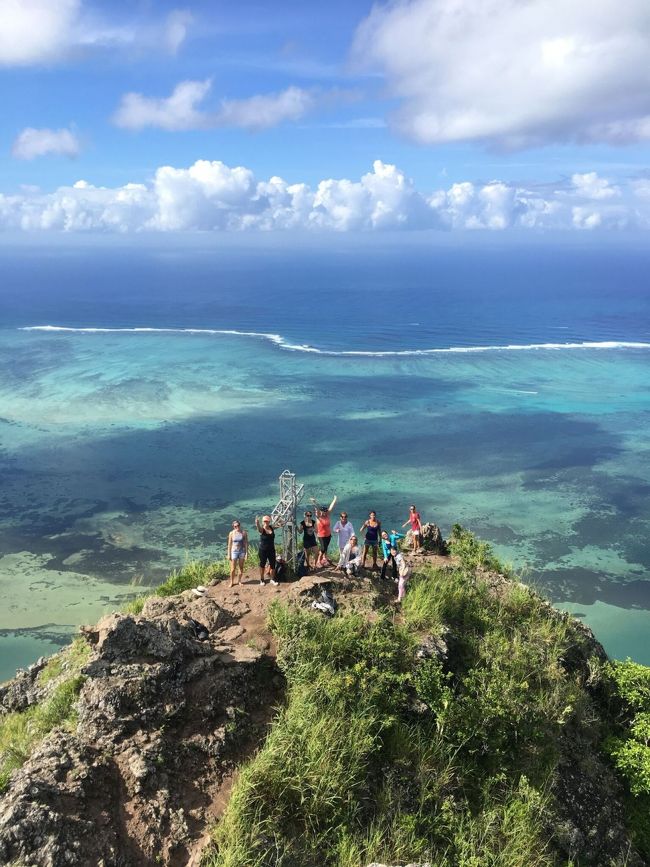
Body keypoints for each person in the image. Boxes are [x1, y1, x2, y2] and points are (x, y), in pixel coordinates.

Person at [311, 495, 337, 567]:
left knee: (326, 547)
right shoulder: (318, 517)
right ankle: (319, 560)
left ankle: (324, 558)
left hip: (328, 535)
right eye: (323, 512)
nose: (324, 513)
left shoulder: (327, 515)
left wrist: (334, 499)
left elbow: (331, 507)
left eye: (325, 512)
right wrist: (314, 502)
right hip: (321, 535)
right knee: (323, 548)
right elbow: (317, 508)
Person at [255, 514, 279, 586]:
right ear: (263, 522)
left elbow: (280, 524)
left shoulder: (272, 527)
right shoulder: (262, 529)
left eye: (267, 521)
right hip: (263, 550)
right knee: (262, 565)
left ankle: (272, 579)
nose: (266, 522)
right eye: (264, 521)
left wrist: (278, 518)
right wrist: (257, 523)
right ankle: (262, 579)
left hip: (271, 550)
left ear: (269, 521)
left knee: (273, 565)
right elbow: (259, 529)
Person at [227, 520, 248, 587]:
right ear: (233, 527)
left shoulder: (243, 533)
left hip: (242, 551)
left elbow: (246, 543)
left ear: (240, 525)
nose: (237, 527)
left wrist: (247, 553)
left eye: (238, 525)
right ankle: (232, 582)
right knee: (233, 569)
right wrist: (228, 554)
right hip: (234, 552)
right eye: (235, 526)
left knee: (241, 567)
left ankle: (239, 581)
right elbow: (229, 544)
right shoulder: (231, 533)